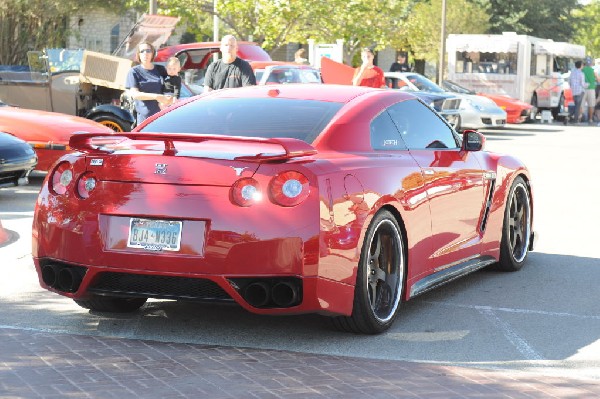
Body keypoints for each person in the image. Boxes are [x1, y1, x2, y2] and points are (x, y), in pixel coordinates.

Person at [125, 42, 173, 125]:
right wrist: (156, 97)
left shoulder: (161, 70)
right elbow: (135, 94)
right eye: (142, 51)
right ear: (138, 55)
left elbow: (170, 87)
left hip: (162, 115)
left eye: (148, 51)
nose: (145, 53)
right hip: (145, 118)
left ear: (153, 53)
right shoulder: (134, 72)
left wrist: (168, 98)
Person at [582, 56, 599, 124]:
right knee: (591, 105)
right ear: (591, 63)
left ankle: (580, 117)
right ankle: (590, 119)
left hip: (583, 89)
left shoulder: (582, 70)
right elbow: (598, 79)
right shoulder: (593, 70)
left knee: (581, 104)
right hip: (591, 88)